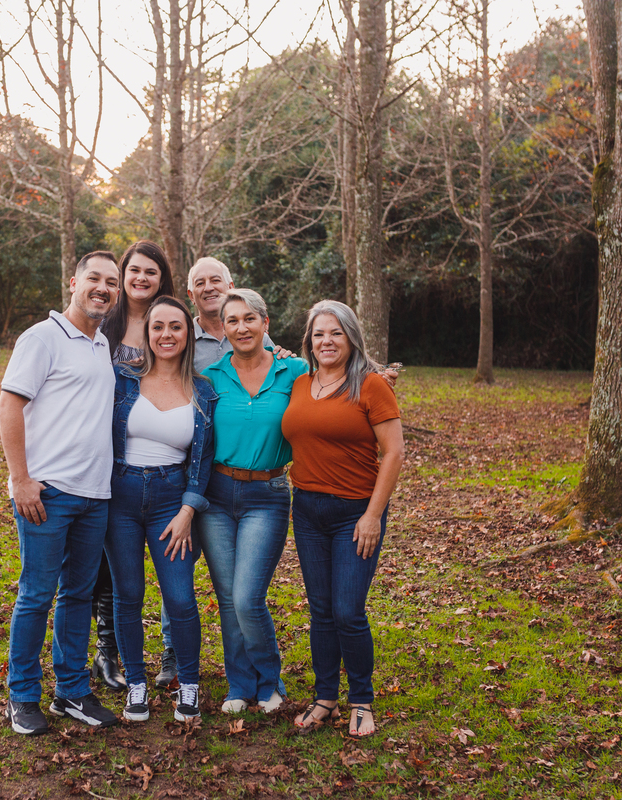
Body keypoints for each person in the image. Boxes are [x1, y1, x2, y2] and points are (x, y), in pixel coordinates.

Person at [0, 251, 123, 735]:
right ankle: (22, 696)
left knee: (77, 595)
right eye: (95, 278)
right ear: (73, 282)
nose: (103, 288)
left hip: (95, 495)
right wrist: (20, 479)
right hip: (47, 494)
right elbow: (9, 405)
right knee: (36, 595)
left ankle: (71, 691)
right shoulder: (42, 337)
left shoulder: (101, 344)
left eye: (112, 282)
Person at [281, 300, 404, 738]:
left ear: (351, 337)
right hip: (307, 510)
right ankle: (325, 698)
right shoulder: (299, 382)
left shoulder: (371, 385)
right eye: (319, 334)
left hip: (355, 513)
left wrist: (373, 515)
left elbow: (394, 452)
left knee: (348, 611)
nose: (327, 341)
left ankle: (362, 700)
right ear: (309, 342)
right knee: (320, 610)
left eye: (336, 333)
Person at [194, 288, 308, 713]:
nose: (241, 327)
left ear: (265, 323)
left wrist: (378, 379)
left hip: (268, 494)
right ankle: (240, 686)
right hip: (217, 494)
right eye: (233, 321)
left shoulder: (294, 371)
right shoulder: (212, 376)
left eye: (249, 319)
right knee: (227, 598)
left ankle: (269, 681)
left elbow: (340, 380)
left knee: (247, 597)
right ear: (223, 329)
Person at [105, 296, 217, 723]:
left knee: (181, 598)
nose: (166, 335)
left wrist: (189, 509)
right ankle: (135, 683)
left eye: (176, 326)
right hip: (120, 495)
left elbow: (203, 459)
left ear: (188, 333)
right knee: (128, 594)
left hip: (172, 500)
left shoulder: (203, 390)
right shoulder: (122, 378)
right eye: (158, 327)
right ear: (147, 333)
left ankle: (189, 684)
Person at [92, 240, 180, 691]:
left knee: (171, 569)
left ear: (162, 279)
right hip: (100, 457)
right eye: (134, 270)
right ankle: (106, 652)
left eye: (151, 271)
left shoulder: (171, 324)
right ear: (123, 275)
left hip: (161, 464)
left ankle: (171, 651)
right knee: (107, 567)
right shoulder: (101, 324)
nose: (142, 278)